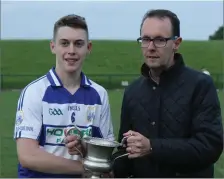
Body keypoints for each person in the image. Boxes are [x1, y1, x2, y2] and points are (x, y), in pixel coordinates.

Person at [112, 9, 223, 178]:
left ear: (176, 43)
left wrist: (152, 147)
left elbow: (209, 147)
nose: (150, 47)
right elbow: (126, 151)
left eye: (159, 40)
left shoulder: (200, 85)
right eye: (146, 39)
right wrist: (104, 165)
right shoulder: (132, 91)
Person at [13, 14, 114, 178]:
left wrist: (83, 148)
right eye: (65, 43)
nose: (71, 51)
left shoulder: (99, 94)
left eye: (78, 44)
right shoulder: (34, 91)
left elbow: (105, 153)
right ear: (53, 46)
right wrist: (85, 167)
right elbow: (28, 156)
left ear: (89, 48)